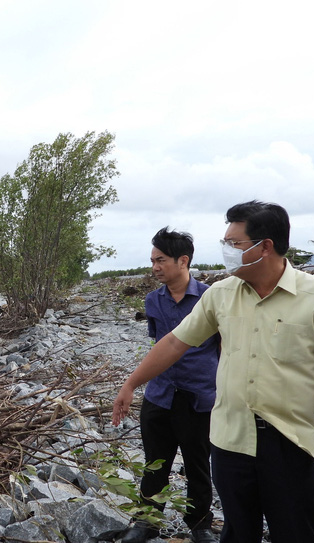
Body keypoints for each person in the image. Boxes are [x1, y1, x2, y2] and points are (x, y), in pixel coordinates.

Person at [113, 201, 314, 543]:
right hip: (231, 440)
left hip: (290, 442)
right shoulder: (221, 294)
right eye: (225, 243)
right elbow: (174, 343)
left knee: (295, 532)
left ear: (266, 246)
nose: (227, 252)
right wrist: (131, 384)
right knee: (237, 532)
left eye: (235, 244)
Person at [120, 227, 219, 543]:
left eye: (160, 260)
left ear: (183, 260)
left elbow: (224, 346)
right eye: (152, 260)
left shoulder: (209, 298)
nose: (155, 267)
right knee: (154, 463)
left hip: (199, 397)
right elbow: (159, 347)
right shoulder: (153, 301)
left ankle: (200, 524)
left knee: (198, 464)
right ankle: (148, 521)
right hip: (160, 395)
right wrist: (134, 385)